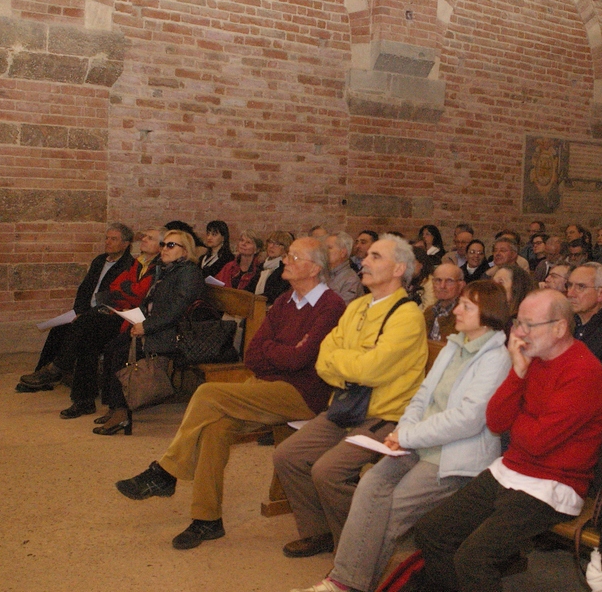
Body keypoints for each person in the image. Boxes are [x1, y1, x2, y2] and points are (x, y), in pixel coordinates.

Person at [114, 237, 345, 549]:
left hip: (302, 395)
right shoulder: (285, 302)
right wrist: (282, 353)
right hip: (264, 386)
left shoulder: (331, 306)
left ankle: (166, 472)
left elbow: (300, 360)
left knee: (208, 394)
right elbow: (253, 355)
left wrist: (277, 353)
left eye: (294, 256)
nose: (286, 260)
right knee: (214, 428)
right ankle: (206, 520)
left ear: (315, 267)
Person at [293, 281, 512, 592]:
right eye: (460, 303)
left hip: (454, 457)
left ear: (488, 314)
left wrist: (408, 435)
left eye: (467, 306)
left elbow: (467, 419)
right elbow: (423, 395)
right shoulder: (456, 344)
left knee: (390, 510)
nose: (457, 310)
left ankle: (347, 585)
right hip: (418, 443)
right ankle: (343, 582)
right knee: (369, 487)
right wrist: (402, 430)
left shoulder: (496, 358)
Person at [414, 289, 602, 592]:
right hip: (512, 470)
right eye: (518, 322)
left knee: (474, 559)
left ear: (559, 328)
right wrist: (517, 371)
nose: (519, 332)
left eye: (529, 325)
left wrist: (522, 423)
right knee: (432, 531)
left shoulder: (583, 372)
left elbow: (535, 441)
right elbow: (496, 421)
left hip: (554, 485)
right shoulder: (531, 359)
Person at [272, 234, 428, 559]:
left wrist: (341, 363)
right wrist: (348, 363)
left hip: (385, 416)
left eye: (375, 256)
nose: (365, 262)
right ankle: (319, 532)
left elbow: (372, 369)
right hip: (345, 408)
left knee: (328, 471)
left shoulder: (407, 316)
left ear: (399, 268)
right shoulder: (356, 306)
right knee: (288, 455)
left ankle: (357, 550)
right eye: (366, 256)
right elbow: (322, 357)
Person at [19, 227, 164, 418]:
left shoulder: (156, 267)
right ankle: (83, 400)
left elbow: (138, 296)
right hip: (119, 313)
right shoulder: (138, 263)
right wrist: (125, 292)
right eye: (144, 236)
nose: (143, 239)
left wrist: (124, 291)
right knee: (86, 340)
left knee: (84, 325)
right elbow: (114, 288)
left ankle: (57, 368)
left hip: (133, 321)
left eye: (149, 238)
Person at [94, 230, 204, 436]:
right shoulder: (167, 269)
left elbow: (176, 310)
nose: (164, 249)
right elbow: (150, 301)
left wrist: (146, 326)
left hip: (173, 333)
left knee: (121, 354)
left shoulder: (189, 273)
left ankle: (122, 414)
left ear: (185, 251)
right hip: (154, 325)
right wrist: (136, 316)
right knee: (112, 347)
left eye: (171, 245)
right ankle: (115, 407)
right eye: (164, 245)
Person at [15, 224, 135, 392]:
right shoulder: (99, 260)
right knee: (58, 329)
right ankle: (43, 375)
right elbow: (84, 289)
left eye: (113, 239)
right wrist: (79, 311)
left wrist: (86, 315)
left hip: (105, 317)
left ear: (126, 244)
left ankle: (56, 370)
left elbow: (113, 299)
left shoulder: (129, 266)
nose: (107, 242)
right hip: (86, 312)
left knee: (79, 330)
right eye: (106, 238)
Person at [425, 264, 466, 341]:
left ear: (461, 285)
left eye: (449, 281)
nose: (442, 286)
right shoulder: (429, 312)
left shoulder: (464, 315)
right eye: (438, 280)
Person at [254, 230, 293, 304]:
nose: (271, 246)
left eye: (277, 244)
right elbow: (250, 288)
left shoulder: (285, 270)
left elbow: (274, 295)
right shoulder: (262, 267)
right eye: (270, 242)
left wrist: (254, 299)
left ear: (286, 248)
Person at [325, 232, 364, 304]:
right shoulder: (322, 273)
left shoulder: (351, 280)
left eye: (329, 248)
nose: (324, 251)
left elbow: (338, 309)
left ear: (342, 253)